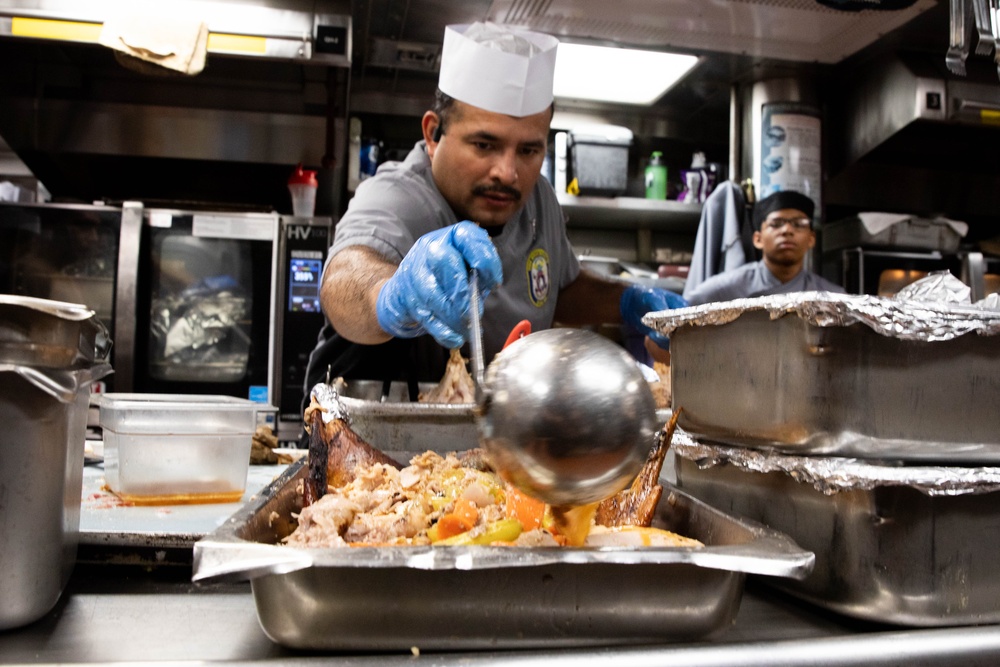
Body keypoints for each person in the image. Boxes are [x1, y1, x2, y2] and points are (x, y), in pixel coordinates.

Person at [303, 21, 684, 395]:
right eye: (484, 145)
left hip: (494, 437)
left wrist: (627, 301)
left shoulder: (539, 201)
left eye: (529, 150)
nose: (508, 173)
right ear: (434, 134)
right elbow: (342, 279)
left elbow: (559, 289)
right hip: (366, 430)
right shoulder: (397, 195)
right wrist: (389, 297)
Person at [682, 190, 845, 306]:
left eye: (798, 224)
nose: (787, 230)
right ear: (758, 239)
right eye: (776, 224)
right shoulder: (724, 290)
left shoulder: (833, 297)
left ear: (811, 238)